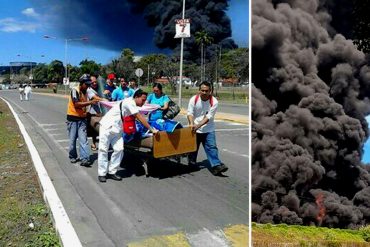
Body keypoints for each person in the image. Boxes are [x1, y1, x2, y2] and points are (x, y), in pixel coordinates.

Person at [97, 89, 158, 182]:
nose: (144, 102)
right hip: (107, 126)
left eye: (145, 100)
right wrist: (152, 129)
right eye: (142, 100)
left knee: (119, 149)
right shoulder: (129, 102)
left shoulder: (132, 103)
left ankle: (112, 172)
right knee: (103, 150)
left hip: (117, 128)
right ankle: (102, 173)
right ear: (136, 97)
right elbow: (139, 117)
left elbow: (138, 117)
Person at [187, 81, 228, 176]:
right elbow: (190, 113)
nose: (204, 93)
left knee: (212, 147)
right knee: (193, 148)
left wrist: (197, 126)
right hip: (194, 127)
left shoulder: (214, 101)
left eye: (207, 91)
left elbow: (208, 117)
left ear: (210, 91)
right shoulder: (194, 99)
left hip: (208, 129)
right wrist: (192, 124)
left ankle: (216, 166)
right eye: (202, 90)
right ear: (199, 90)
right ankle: (191, 163)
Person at [67, 74, 100, 166]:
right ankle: (72, 156)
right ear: (81, 83)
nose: (88, 86)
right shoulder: (75, 90)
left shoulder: (86, 91)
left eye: (89, 84)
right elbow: (76, 104)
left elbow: (93, 99)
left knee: (83, 139)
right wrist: (90, 102)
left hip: (82, 119)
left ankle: (84, 159)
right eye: (86, 84)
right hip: (72, 118)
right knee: (72, 141)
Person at [86, 74, 107, 151]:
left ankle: (102, 143)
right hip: (92, 113)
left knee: (101, 128)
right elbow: (95, 98)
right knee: (94, 130)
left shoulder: (98, 89)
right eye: (92, 82)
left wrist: (106, 93)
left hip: (100, 112)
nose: (94, 83)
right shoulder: (89, 90)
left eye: (95, 82)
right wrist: (103, 99)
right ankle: (94, 143)